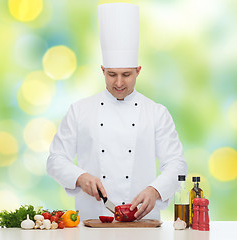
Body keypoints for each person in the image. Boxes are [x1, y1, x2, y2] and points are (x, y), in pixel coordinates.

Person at [47, 3, 187, 221]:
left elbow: (177, 164)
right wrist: (79, 177)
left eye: (126, 75)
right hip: (92, 220)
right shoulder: (79, 110)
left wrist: (156, 190)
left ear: (138, 71)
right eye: (112, 74)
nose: (119, 83)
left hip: (144, 222)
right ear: (102, 70)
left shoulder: (157, 113)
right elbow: (55, 160)